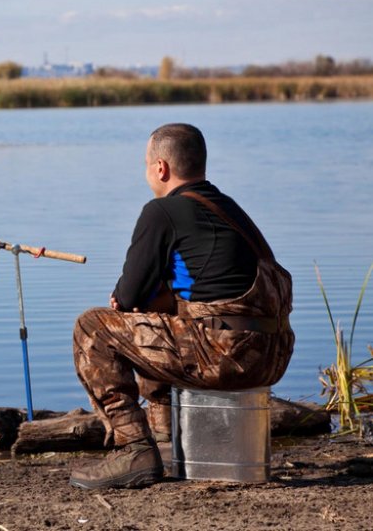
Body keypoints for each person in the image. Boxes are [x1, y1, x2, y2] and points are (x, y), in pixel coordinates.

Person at [70, 123, 294, 490]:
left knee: (92, 327)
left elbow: (127, 296)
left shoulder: (162, 211)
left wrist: (132, 301)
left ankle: (134, 449)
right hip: (272, 355)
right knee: (154, 315)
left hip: (226, 356)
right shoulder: (229, 209)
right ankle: (166, 438)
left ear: (161, 168)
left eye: (145, 164)